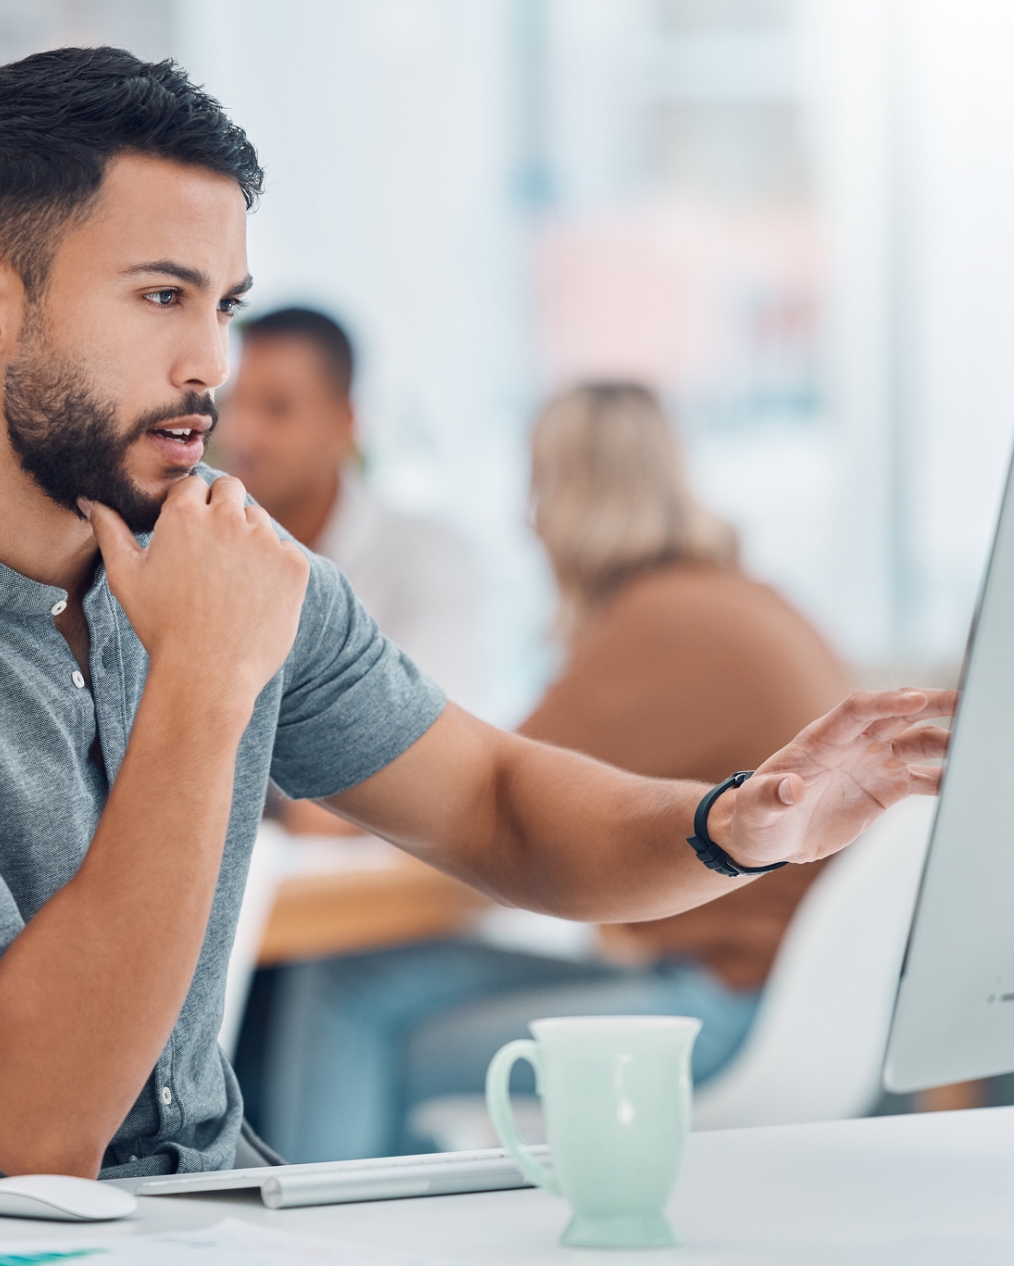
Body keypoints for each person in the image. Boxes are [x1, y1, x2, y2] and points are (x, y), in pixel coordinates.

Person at [0, 47, 951, 1208]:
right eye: (162, 295)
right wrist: (205, 681)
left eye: (225, 304)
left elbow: (495, 804)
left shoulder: (241, 565)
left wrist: (732, 821)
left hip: (215, 1208)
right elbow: (43, 1125)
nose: (210, 361)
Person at [248, 382, 853, 1162]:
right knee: (354, 983)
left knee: (349, 1003)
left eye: (534, 489)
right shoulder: (743, 600)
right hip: (784, 996)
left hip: (722, 1009)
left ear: (564, 497)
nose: (524, 520)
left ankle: (315, 1239)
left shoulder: (658, 622)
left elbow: (466, 796)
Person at [217, 307, 480, 711]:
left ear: (345, 422)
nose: (241, 433)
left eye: (277, 408)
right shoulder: (206, 551)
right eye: (234, 405)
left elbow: (433, 730)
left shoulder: (426, 555)